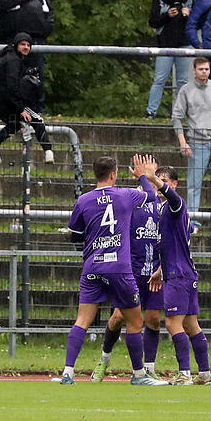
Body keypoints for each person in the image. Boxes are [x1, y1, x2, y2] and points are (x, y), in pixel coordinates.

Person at [58, 155, 165, 386]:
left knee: (82, 320)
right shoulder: (125, 195)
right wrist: (143, 176)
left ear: (95, 174)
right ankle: (139, 375)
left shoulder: (84, 200)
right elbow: (151, 195)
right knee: (135, 322)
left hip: (92, 266)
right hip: (119, 268)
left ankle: (68, 373)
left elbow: (75, 235)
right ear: (114, 174)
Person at [90, 158, 166, 382]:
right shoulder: (132, 199)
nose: (153, 177)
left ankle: (148, 369)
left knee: (153, 319)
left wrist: (162, 267)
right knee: (118, 318)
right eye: (150, 172)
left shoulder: (164, 204)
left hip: (154, 271)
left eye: (156, 173)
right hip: (131, 269)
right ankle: (104, 360)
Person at [145, 165, 211, 385]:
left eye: (163, 180)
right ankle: (205, 373)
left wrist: (152, 178)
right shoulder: (164, 209)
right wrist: (160, 270)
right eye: (156, 180)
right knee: (191, 325)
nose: (158, 184)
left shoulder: (176, 204)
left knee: (172, 323)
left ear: (174, 184)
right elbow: (175, 244)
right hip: (183, 273)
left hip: (178, 276)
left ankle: (184, 373)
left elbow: (174, 199)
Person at [172, 56, 211, 233]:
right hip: (196, 142)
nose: (204, 72)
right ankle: (193, 222)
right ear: (194, 70)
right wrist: (183, 142)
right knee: (194, 184)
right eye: (201, 69)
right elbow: (176, 117)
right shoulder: (186, 90)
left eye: (207, 69)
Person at [0, 0, 54, 112]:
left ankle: (38, 110)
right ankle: (14, 108)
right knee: (13, 74)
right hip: (13, 39)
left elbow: (49, 11)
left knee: (37, 74)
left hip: (36, 40)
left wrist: (47, 28)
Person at [0, 32, 52, 165]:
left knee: (16, 123)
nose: (26, 47)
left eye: (28, 45)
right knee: (37, 119)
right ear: (16, 45)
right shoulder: (13, 60)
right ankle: (48, 152)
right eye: (23, 44)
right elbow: (12, 86)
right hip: (3, 101)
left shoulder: (12, 58)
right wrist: (21, 108)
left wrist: (28, 75)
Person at [145, 0, 193, 119]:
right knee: (159, 80)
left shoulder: (189, 1)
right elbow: (153, 22)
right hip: (165, 45)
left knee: (183, 81)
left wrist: (188, 15)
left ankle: (180, 113)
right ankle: (151, 111)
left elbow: (196, 24)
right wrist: (167, 15)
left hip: (184, 45)